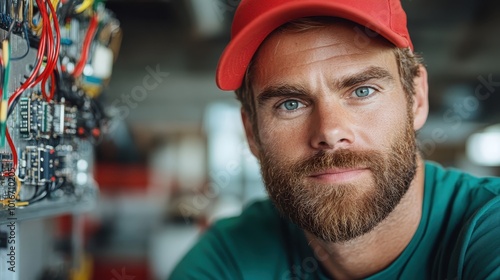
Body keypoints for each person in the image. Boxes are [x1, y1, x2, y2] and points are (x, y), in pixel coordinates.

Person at [170, 0, 500, 279]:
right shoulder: (229, 257)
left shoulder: (488, 228)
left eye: (362, 90)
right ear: (252, 132)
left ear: (417, 99)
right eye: (290, 104)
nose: (329, 132)